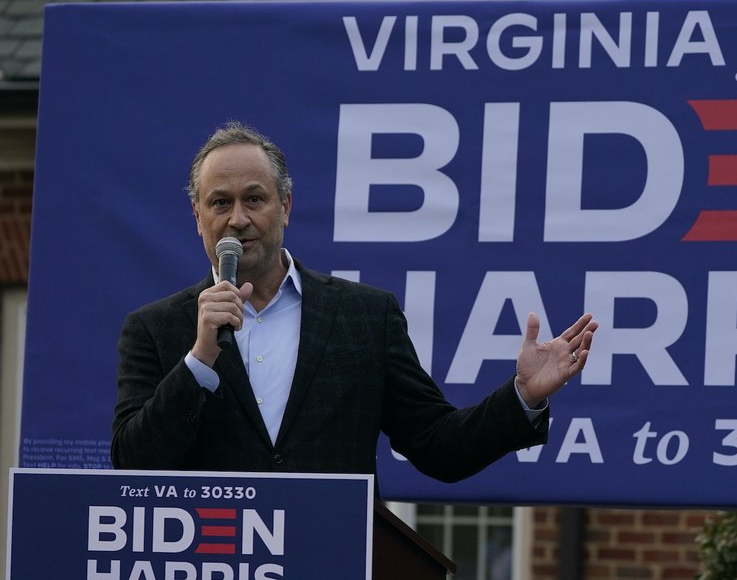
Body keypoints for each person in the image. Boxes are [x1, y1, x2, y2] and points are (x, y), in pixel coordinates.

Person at [111, 122, 597, 483]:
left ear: (287, 207)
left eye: (254, 199)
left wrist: (524, 396)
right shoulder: (155, 329)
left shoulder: (364, 316)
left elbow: (438, 445)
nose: (237, 219)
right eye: (220, 203)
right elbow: (133, 464)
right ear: (198, 217)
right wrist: (199, 361)